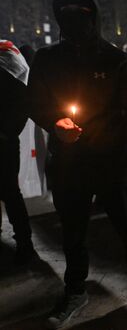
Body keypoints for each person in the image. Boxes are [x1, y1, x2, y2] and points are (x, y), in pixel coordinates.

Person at [27, 0, 127, 328]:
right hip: (69, 165)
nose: (74, 20)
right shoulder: (46, 60)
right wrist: (56, 123)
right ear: (58, 18)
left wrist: (125, 159)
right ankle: (75, 290)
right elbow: (35, 103)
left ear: (93, 16)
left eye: (81, 13)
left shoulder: (115, 60)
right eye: (66, 13)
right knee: (73, 234)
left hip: (111, 164)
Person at [0, 40, 37, 264]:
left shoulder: (7, 69)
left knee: (10, 193)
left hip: (4, 143)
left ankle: (25, 243)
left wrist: (6, 133)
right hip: (6, 139)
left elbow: (21, 105)